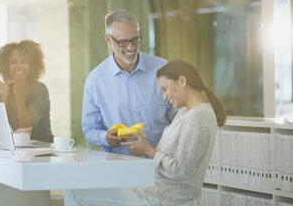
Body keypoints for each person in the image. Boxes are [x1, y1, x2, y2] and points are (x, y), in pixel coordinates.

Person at [66, 59, 226, 206]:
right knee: (84, 187)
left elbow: (182, 170)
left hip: (161, 199)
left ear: (182, 80)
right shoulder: (186, 113)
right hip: (152, 191)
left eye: (165, 89)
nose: (164, 97)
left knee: (75, 192)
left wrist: (147, 150)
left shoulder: (197, 116)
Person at [82, 9, 176, 156]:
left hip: (161, 165)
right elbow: (90, 130)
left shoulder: (162, 69)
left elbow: (178, 116)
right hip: (118, 167)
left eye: (135, 40)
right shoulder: (95, 80)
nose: (131, 48)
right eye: (123, 42)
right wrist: (105, 138)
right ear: (108, 39)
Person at [0, 40, 53, 142]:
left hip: (40, 148)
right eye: (13, 62)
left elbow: (27, 128)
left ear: (32, 65)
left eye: (24, 61)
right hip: (15, 148)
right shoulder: (6, 89)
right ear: (6, 66)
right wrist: (4, 96)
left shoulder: (39, 89)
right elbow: (2, 129)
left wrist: (19, 95)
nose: (19, 66)